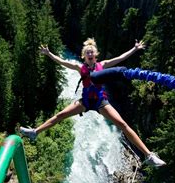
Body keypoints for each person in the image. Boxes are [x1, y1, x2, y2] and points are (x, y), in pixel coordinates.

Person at [19, 38, 166, 167]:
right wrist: (49, 53)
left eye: (92, 52)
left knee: (122, 124)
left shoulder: (103, 64)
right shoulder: (80, 67)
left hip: (100, 102)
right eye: (87, 52)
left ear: (95, 55)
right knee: (61, 115)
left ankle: (149, 155)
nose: (90, 54)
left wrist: (134, 49)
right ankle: (35, 132)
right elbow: (63, 62)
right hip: (85, 101)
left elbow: (120, 58)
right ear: (84, 56)